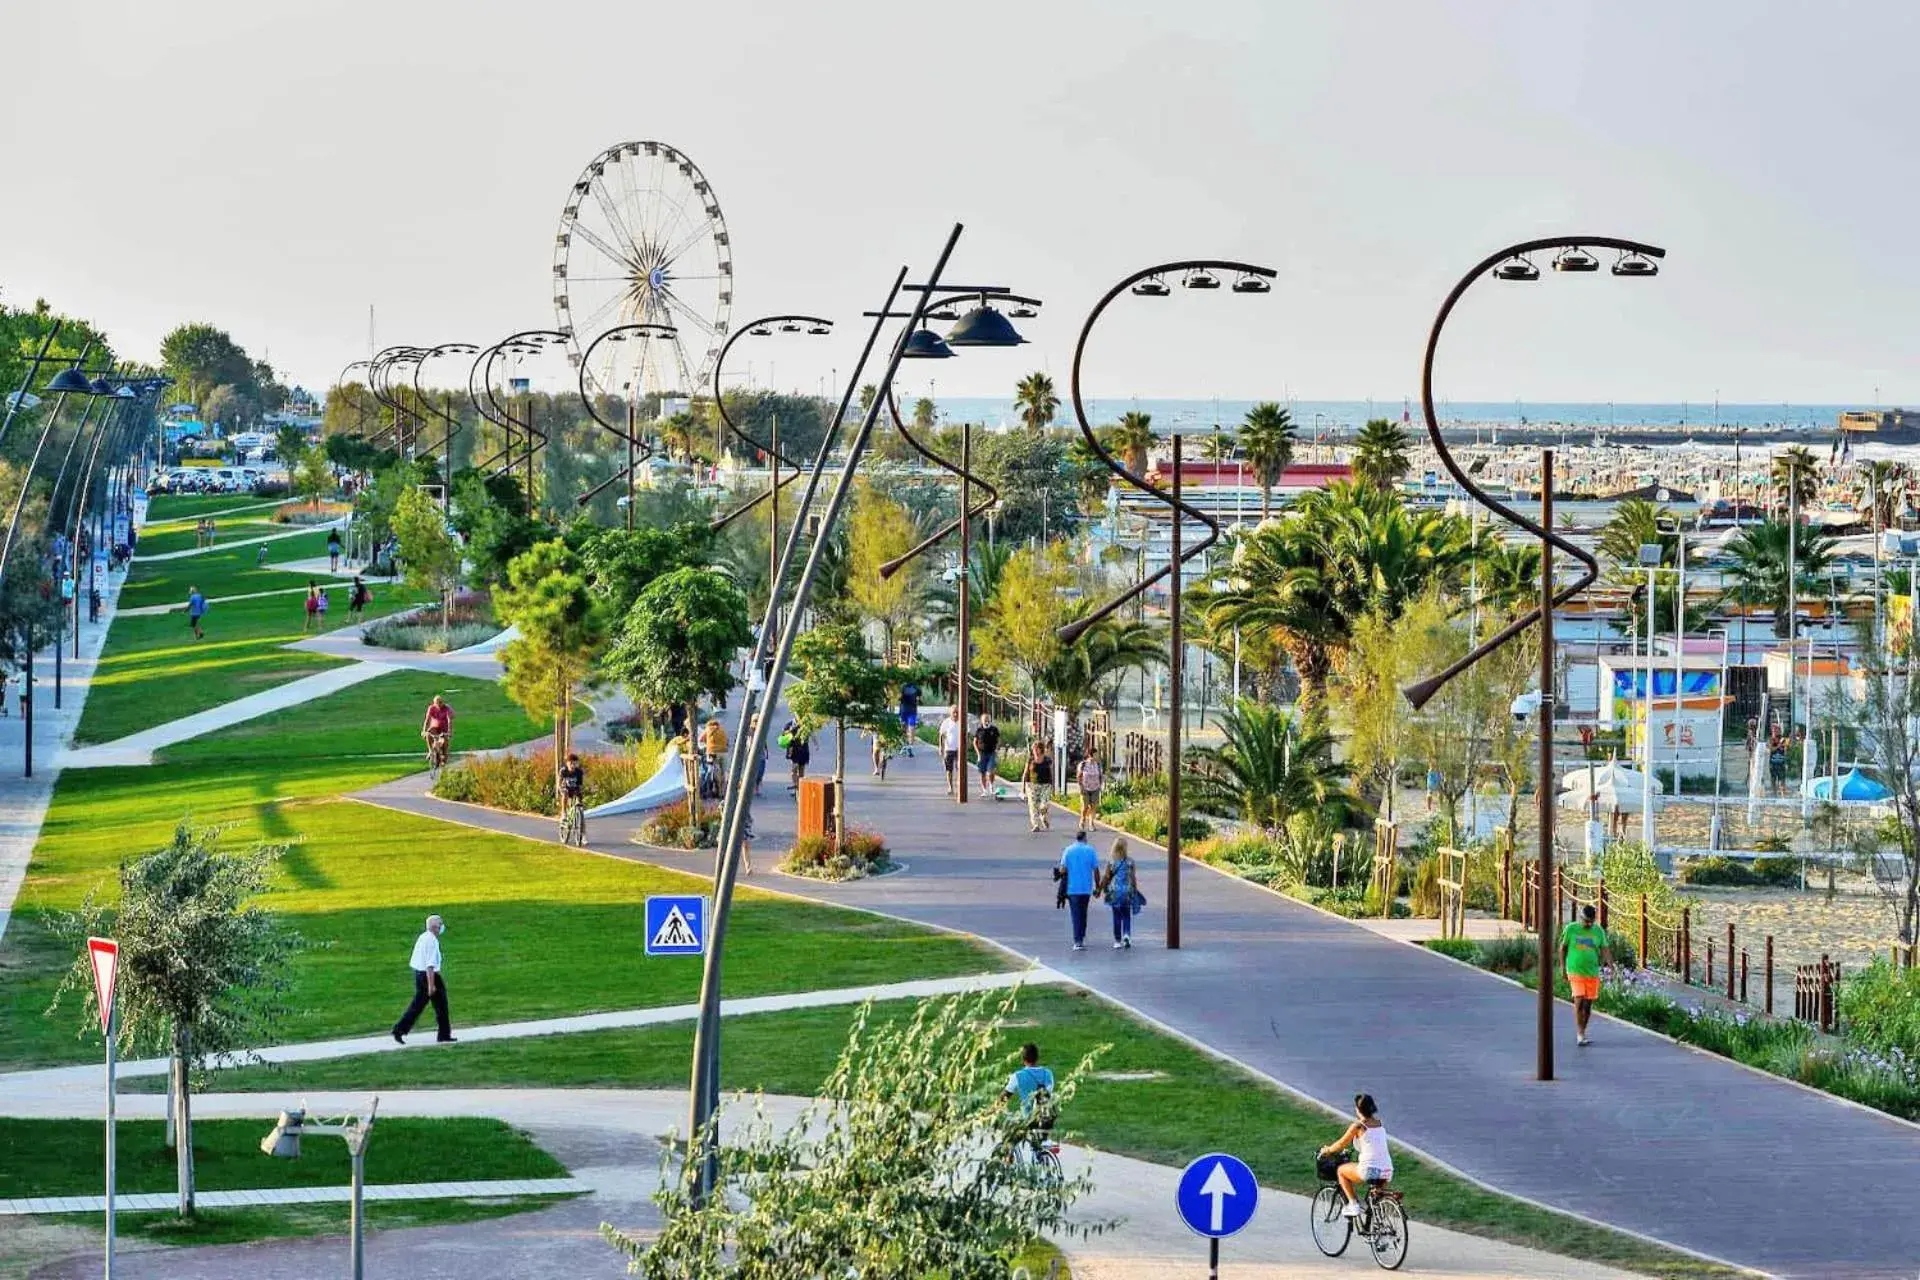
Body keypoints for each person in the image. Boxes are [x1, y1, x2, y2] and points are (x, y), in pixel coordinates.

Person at [1319, 1093, 1392, 1218]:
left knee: (1341, 1171)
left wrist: (1327, 1150)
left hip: (1369, 1170)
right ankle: (1377, 1226)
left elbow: (1341, 1144)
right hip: (1387, 1170)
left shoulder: (1359, 1126)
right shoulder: (1379, 1124)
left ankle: (1353, 1204)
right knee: (1374, 1200)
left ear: (1358, 1110)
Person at [391, 915, 454, 1044]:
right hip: (430, 976)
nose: (442, 927)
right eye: (440, 924)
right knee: (441, 1005)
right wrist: (431, 985)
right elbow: (430, 965)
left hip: (419, 974)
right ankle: (443, 1035)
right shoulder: (432, 941)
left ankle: (400, 1029)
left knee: (418, 1005)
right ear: (435, 927)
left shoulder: (423, 937)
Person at [1560, 903, 1614, 1047]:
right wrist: (1562, 968)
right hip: (1575, 971)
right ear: (1580, 918)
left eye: (1591, 921)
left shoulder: (1598, 931)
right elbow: (1563, 948)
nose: (1588, 924)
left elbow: (1605, 949)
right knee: (1579, 1002)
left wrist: (1610, 966)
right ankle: (1579, 1034)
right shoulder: (1571, 929)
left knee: (1588, 1005)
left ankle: (1583, 1031)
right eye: (1586, 921)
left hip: (1592, 972)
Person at [1059, 829, 1100, 951]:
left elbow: (1062, 869)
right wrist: (1098, 886)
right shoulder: (1090, 850)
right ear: (1085, 838)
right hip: (1086, 887)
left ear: (1076, 838)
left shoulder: (1068, 850)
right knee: (1083, 913)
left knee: (1075, 914)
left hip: (1073, 888)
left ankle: (1078, 940)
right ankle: (1081, 935)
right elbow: (1096, 870)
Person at [1099, 836, 1138, 949]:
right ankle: (1126, 935)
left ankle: (1117, 940)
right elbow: (1132, 877)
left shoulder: (1112, 862)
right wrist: (1134, 889)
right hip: (1126, 891)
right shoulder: (1130, 862)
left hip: (1114, 892)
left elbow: (1107, 877)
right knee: (1126, 915)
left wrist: (1102, 889)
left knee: (1116, 916)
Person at [1003, 1042, 1055, 1114]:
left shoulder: (1017, 1076)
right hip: (1045, 1119)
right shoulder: (1048, 1073)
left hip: (1028, 1121)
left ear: (1023, 1059)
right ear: (1037, 1057)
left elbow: (1002, 1100)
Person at [1023, 739, 1055, 833]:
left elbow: (1051, 773)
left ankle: (1043, 817)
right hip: (1032, 785)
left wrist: (1052, 786)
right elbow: (1026, 773)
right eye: (1034, 749)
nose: (1035, 751)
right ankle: (1035, 824)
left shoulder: (1047, 760)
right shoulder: (1030, 760)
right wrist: (1023, 787)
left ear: (1041, 750)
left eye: (1037, 749)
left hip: (1045, 785)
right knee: (1033, 806)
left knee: (1043, 805)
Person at [973, 713, 1001, 795]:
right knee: (983, 772)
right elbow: (975, 742)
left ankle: (991, 786)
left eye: (988, 719)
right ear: (982, 721)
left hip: (991, 753)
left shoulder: (994, 729)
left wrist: (996, 749)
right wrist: (978, 754)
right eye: (985, 719)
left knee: (991, 770)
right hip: (982, 753)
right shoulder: (979, 730)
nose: (986, 721)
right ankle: (984, 790)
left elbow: (999, 740)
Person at [558, 751, 586, 834]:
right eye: (571, 764)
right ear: (567, 763)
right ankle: (564, 813)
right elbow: (559, 783)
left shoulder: (579, 772)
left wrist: (579, 795)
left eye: (575, 764)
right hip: (565, 788)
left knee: (580, 807)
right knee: (565, 793)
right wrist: (560, 789)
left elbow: (580, 785)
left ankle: (582, 832)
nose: (573, 766)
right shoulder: (563, 771)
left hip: (575, 788)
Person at [1076, 752, 1104, 827]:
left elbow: (1100, 775)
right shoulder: (1083, 764)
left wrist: (1100, 786)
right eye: (1096, 754)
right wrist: (1081, 786)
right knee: (1085, 807)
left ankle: (1091, 823)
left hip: (1095, 788)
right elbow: (1079, 776)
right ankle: (1082, 819)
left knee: (1093, 806)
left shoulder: (1098, 765)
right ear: (1091, 755)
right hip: (1085, 788)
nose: (1097, 756)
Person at [422, 695, 454, 762]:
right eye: (437, 703)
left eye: (440, 703)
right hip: (435, 728)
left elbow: (449, 720)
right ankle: (430, 750)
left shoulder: (446, 708)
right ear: (434, 703)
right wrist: (424, 730)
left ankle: (444, 756)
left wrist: (449, 731)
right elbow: (427, 720)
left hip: (444, 729)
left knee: (444, 742)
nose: (439, 705)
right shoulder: (431, 708)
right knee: (428, 734)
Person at [938, 711, 963, 797]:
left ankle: (959, 786)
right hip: (949, 749)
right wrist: (941, 747)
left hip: (959, 749)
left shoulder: (962, 721)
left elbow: (966, 734)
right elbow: (941, 735)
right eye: (954, 712)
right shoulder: (946, 722)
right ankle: (950, 787)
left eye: (957, 712)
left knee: (960, 768)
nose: (955, 714)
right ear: (950, 713)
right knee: (949, 770)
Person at [783, 721, 810, 792]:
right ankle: (796, 785)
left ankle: (799, 788)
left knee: (801, 771)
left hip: (803, 750)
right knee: (794, 770)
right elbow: (784, 734)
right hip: (794, 750)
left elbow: (810, 733)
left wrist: (815, 743)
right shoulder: (789, 724)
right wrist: (792, 729)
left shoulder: (806, 724)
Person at [897, 680, 921, 757]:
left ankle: (907, 747)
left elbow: (899, 698)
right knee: (910, 729)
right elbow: (919, 697)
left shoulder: (904, 687)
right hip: (909, 711)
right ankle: (907, 746)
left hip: (906, 711)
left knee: (907, 729)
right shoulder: (915, 687)